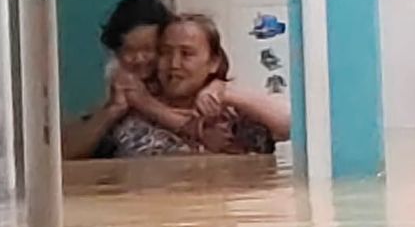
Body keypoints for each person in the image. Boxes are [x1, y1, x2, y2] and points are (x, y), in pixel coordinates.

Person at [105, 13, 291, 158]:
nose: (174, 64)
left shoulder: (236, 117)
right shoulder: (137, 121)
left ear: (213, 63)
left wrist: (225, 92)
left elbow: (293, 124)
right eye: (165, 53)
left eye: (186, 54)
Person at [62, 0, 173, 160]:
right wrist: (112, 111)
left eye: (149, 49)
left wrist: (146, 103)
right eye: (130, 51)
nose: (140, 59)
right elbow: (64, 153)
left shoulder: (188, 92)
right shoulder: (116, 102)